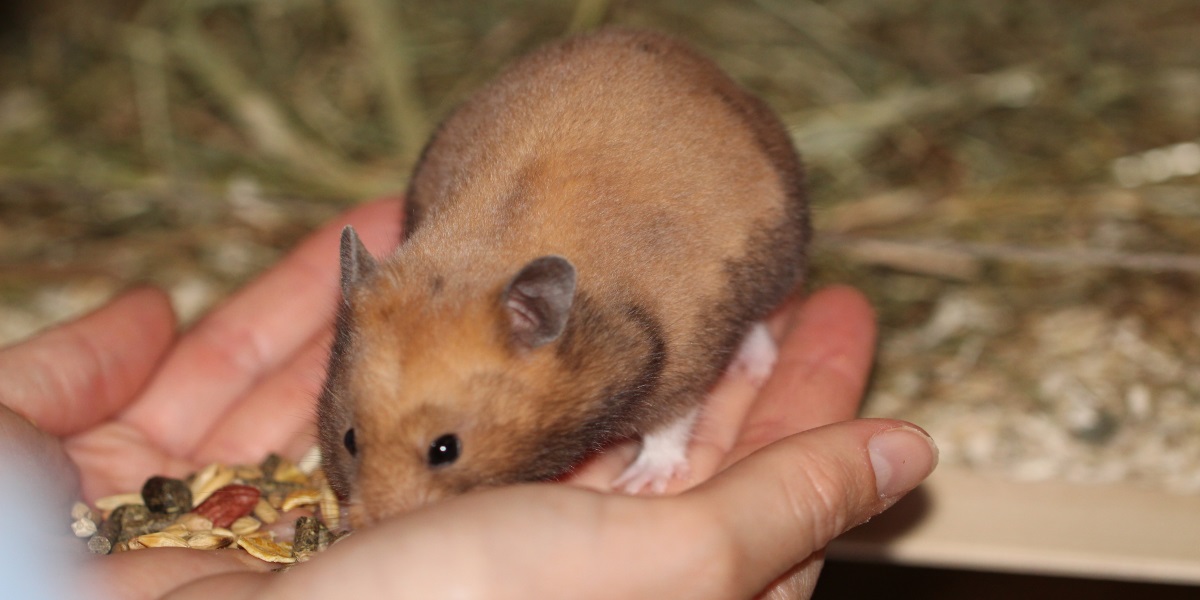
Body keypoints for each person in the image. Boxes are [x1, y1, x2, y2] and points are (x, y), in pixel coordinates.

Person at [0, 197, 937, 599]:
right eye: (357, 448)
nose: (375, 512)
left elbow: (666, 360)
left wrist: (664, 440)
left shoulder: (607, 337)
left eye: (441, 454)